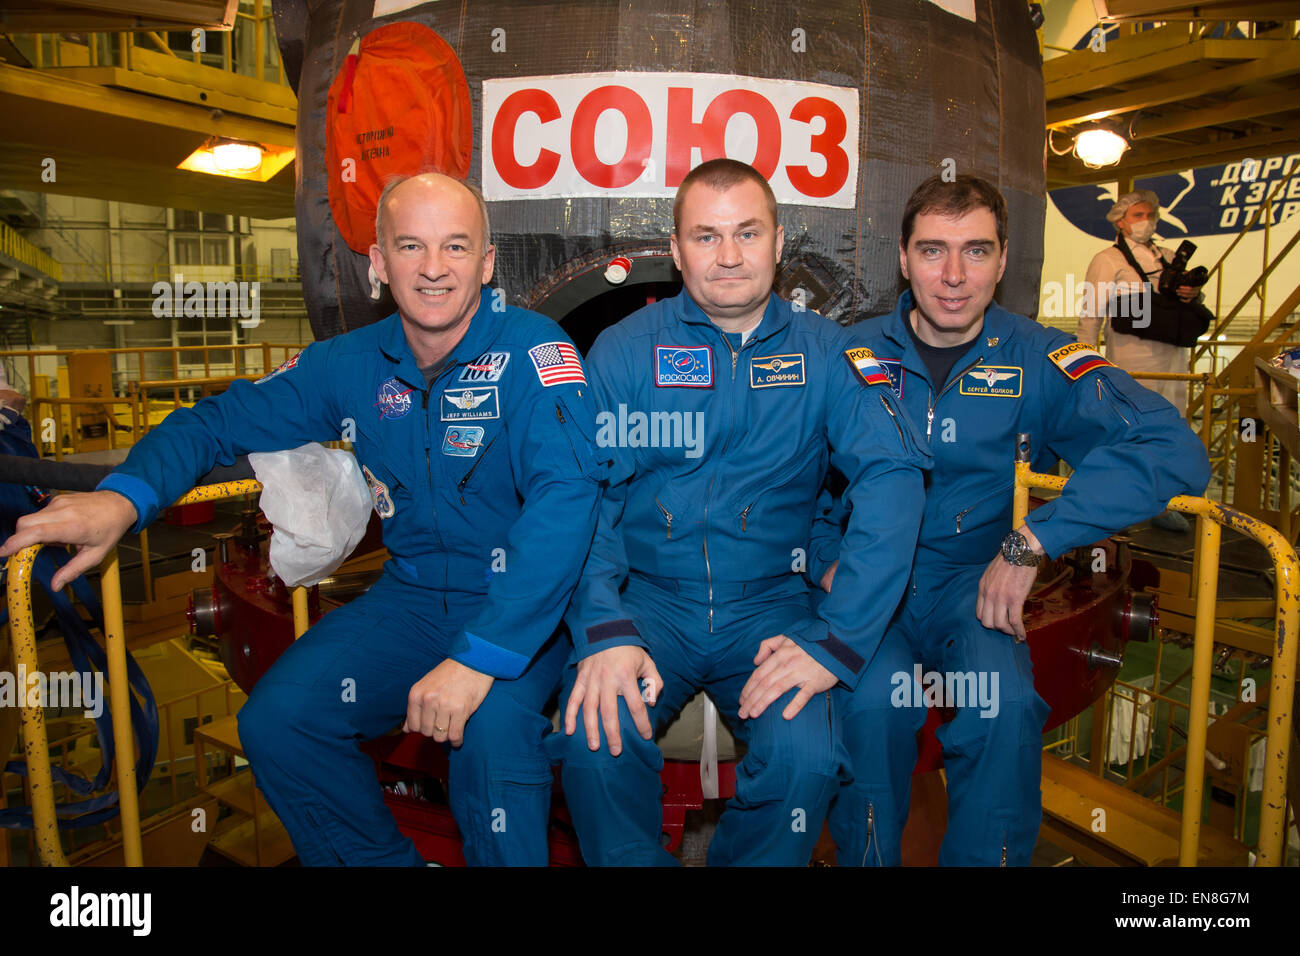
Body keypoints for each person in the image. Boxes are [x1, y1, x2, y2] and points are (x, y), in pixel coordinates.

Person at [0, 173, 605, 866]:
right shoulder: (349, 364)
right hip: (410, 600)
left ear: (487, 263)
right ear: (378, 264)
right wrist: (126, 496)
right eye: (410, 246)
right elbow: (217, 420)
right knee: (280, 721)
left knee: (493, 736)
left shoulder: (536, 352)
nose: (433, 268)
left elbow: (567, 501)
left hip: (519, 605)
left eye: (455, 247)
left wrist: (479, 659)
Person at [550, 158, 931, 866]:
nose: (728, 256)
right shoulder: (626, 351)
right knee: (593, 742)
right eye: (706, 236)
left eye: (747, 234)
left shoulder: (829, 356)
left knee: (807, 763)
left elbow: (894, 476)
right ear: (674, 251)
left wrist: (838, 643)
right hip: (649, 603)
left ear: (780, 243)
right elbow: (583, 494)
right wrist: (601, 624)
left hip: (771, 607)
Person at [823, 174, 1210, 866]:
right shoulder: (846, 356)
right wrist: (820, 550)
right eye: (933, 250)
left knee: (1001, 711)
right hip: (865, 585)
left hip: (972, 585)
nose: (952, 276)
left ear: (1003, 261)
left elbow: (1173, 450)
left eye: (975, 252)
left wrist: (1036, 538)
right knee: (870, 709)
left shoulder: (1040, 358)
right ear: (904, 260)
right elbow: (788, 473)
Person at [1076, 190, 1207, 533]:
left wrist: (1192, 293)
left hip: (1175, 355)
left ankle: (1168, 500)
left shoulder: (1166, 257)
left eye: (1151, 214)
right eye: (1138, 215)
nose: (1147, 220)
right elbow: (1091, 313)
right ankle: (1126, 500)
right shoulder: (1108, 259)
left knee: (1174, 423)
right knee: (1135, 426)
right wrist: (1083, 363)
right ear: (1120, 221)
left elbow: (1191, 298)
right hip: (1133, 356)